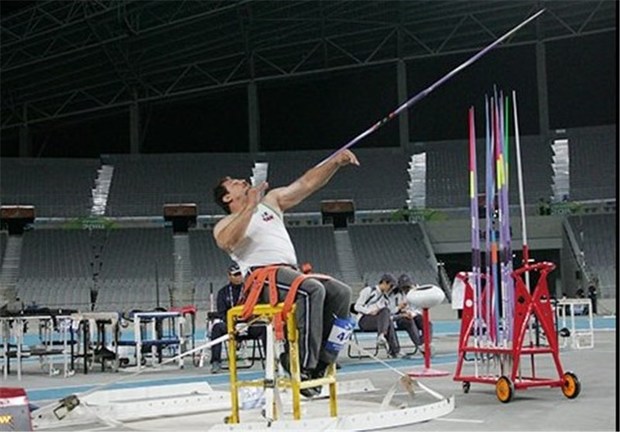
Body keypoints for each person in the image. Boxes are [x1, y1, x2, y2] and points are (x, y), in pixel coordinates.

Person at [212, 149, 358, 396]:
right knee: (312, 290)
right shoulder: (224, 223)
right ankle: (299, 364)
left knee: (342, 292)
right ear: (227, 198)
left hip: (289, 273)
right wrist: (250, 206)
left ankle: (324, 361)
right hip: (262, 279)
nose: (241, 181)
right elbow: (228, 241)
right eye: (234, 183)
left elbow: (307, 183)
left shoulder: (271, 201)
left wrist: (335, 162)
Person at [209, 263, 267, 374]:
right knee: (217, 328)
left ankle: (269, 359)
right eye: (235, 275)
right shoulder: (223, 292)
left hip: (249, 324)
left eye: (240, 274)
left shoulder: (250, 290)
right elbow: (221, 312)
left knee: (264, 328)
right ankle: (215, 362)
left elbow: (258, 307)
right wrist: (233, 323)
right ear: (229, 276)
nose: (238, 277)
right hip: (232, 325)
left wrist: (248, 321)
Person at [353, 273, 402, 358]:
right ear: (384, 283)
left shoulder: (385, 297)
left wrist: (399, 309)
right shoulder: (369, 291)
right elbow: (357, 306)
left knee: (388, 318)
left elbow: (388, 313)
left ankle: (394, 350)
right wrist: (369, 311)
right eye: (390, 286)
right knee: (386, 314)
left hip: (379, 321)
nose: (391, 289)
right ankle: (386, 341)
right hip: (364, 320)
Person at [388, 274, 423, 354]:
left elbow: (419, 308)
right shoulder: (394, 294)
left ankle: (424, 343)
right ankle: (420, 345)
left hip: (414, 315)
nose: (405, 289)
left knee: (426, 322)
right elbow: (390, 311)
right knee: (409, 321)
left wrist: (412, 313)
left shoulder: (416, 293)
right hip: (400, 317)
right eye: (403, 287)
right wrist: (399, 308)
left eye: (407, 287)